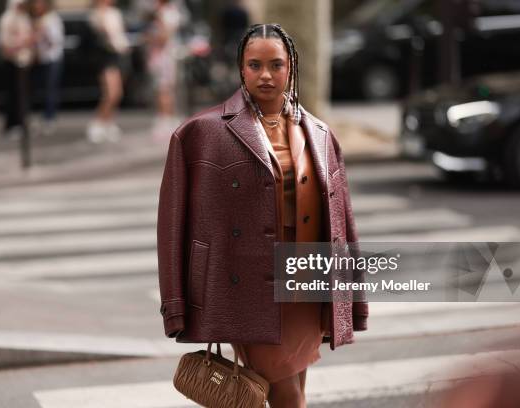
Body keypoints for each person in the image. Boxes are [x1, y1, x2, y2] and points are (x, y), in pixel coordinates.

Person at [157, 24, 368, 407]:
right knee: (288, 395)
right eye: (255, 65)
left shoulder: (319, 133)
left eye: (276, 65)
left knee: (292, 387)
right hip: (247, 288)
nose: (266, 75)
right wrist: (175, 307)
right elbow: (172, 228)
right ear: (241, 69)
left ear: (292, 68)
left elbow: (342, 221)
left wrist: (354, 295)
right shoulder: (200, 134)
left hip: (306, 282)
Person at [87, 0, 129, 143]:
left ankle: (108, 122)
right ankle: (97, 123)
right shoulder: (96, 14)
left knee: (118, 93)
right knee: (111, 93)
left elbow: (120, 34)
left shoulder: (115, 13)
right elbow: (101, 32)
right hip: (105, 57)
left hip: (119, 55)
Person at [0, 0, 34, 140]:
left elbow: (29, 36)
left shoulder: (24, 18)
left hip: (23, 61)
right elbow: (4, 44)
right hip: (12, 62)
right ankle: (11, 124)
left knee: (23, 95)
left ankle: (22, 122)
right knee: (13, 95)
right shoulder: (7, 19)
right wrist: (19, 45)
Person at [146, 0, 181, 140]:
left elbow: (163, 38)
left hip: (163, 58)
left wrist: (152, 36)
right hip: (164, 57)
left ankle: (165, 120)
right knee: (165, 90)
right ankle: (167, 119)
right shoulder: (168, 12)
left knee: (163, 90)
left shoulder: (166, 14)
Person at [30, 0, 64, 136]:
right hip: (41, 60)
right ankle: (40, 117)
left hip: (52, 59)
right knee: (39, 90)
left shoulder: (52, 19)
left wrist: (42, 32)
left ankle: (49, 119)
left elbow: (55, 41)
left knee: (51, 90)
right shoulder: (36, 20)